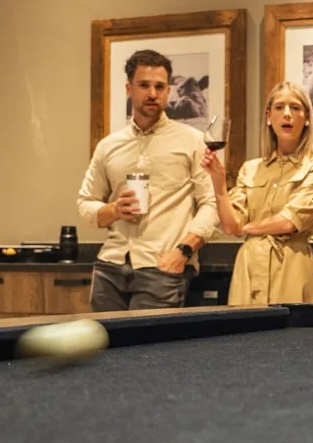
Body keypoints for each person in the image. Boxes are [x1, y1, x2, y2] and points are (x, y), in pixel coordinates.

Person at [77, 48, 219, 311]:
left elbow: (211, 205)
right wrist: (113, 209)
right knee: (106, 350)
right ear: (129, 88)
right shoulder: (109, 146)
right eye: (144, 85)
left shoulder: (192, 140)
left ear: (168, 91)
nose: (152, 93)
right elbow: (86, 203)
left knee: (149, 351)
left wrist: (183, 252)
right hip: (111, 266)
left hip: (162, 268)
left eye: (160, 86)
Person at [201, 81, 313, 306]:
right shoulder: (250, 168)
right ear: (269, 117)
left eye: (295, 108)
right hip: (249, 265)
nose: (287, 114)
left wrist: (247, 228)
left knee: (289, 337)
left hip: (291, 264)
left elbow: (288, 222)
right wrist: (218, 182)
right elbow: (231, 226)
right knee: (243, 336)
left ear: (307, 118)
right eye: (280, 107)